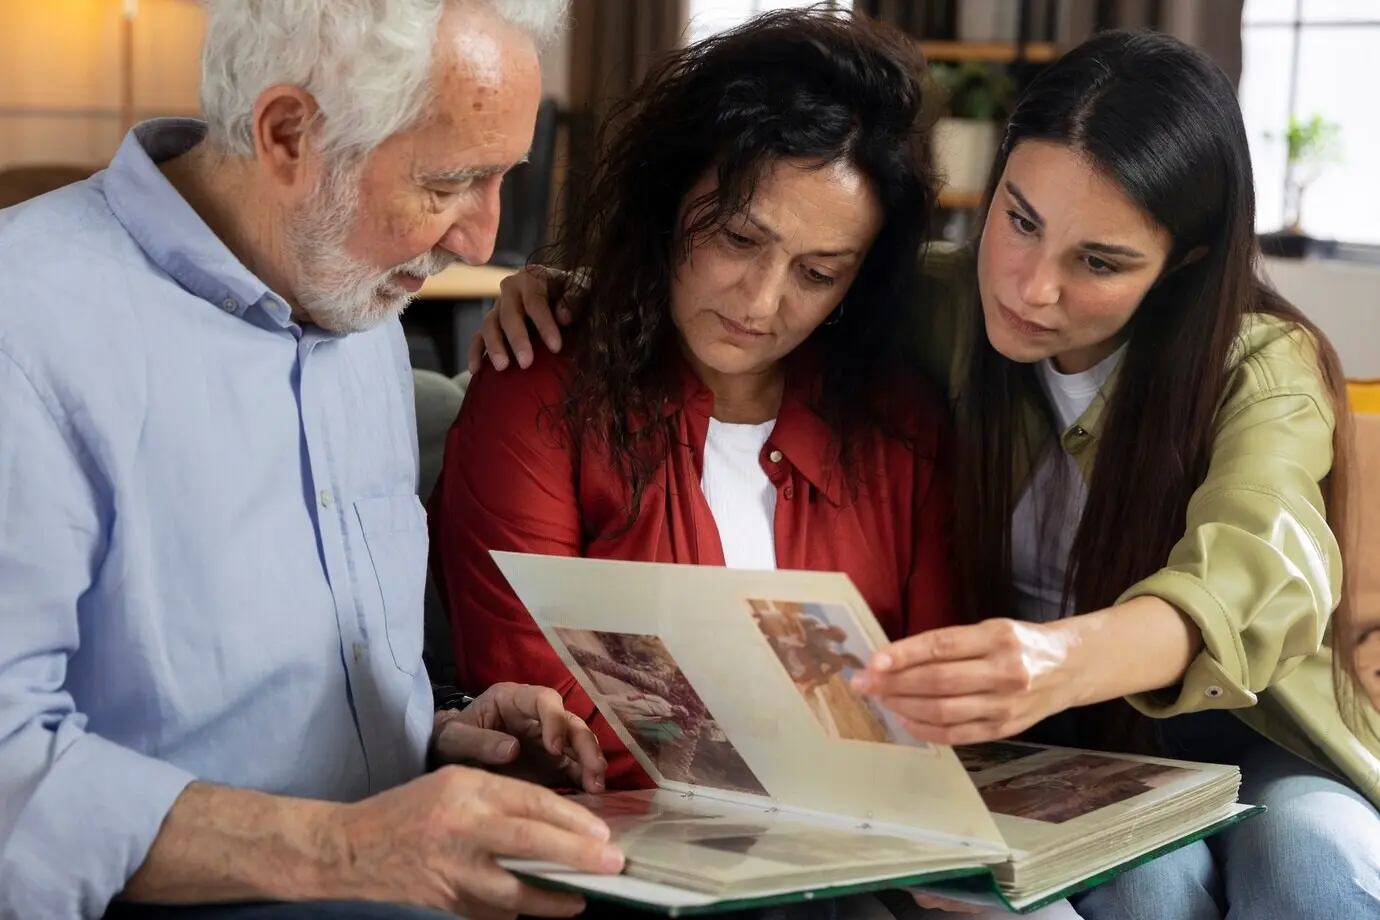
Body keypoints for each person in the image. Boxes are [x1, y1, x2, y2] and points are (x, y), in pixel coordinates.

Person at [469, 26, 1380, 920]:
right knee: (1148, 882)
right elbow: (744, 269)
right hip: (1043, 743)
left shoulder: (1262, 364)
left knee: (1305, 855)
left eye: (1098, 262)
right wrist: (565, 283)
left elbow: (1262, 561)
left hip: (1251, 728)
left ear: (1180, 264)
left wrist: (1056, 659)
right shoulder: (938, 303)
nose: (1031, 287)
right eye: (1018, 222)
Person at [0, 3, 628, 919]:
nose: (481, 242)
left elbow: (252, 722)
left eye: (502, 180)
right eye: (450, 182)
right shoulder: (26, 327)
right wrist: (347, 849)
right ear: (288, 133)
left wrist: (432, 742)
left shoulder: (353, 297)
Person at [428, 7, 958, 792]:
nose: (762, 300)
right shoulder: (538, 385)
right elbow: (537, 703)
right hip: (636, 849)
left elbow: (940, 693)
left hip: (875, 849)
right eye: (739, 240)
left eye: (818, 273)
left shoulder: (900, 420)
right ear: (669, 198)